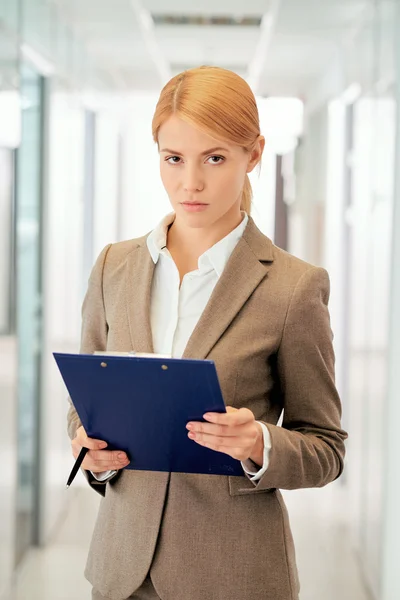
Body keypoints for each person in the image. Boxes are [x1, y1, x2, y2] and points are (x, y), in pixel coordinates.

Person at [67, 66, 348, 600]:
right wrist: (90, 452)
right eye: (173, 158)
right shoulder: (114, 267)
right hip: (123, 570)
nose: (189, 183)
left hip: (233, 575)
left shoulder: (293, 288)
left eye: (214, 158)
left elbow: (327, 449)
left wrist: (259, 443)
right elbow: (87, 404)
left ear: (254, 154)